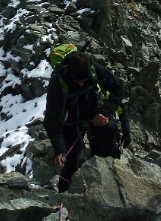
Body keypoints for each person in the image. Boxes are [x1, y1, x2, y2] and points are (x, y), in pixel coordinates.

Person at [43, 46, 125, 192]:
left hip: (94, 114)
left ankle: (107, 178)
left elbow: (119, 87)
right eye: (77, 80)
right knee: (69, 162)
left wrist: (105, 111)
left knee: (109, 131)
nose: (81, 84)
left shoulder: (95, 70)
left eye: (84, 80)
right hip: (69, 123)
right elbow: (51, 120)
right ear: (71, 73)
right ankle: (65, 197)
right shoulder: (58, 83)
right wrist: (59, 149)